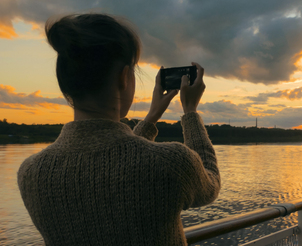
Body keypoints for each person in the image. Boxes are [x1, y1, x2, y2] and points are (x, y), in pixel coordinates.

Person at [17, 13, 220, 245]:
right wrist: (190, 112)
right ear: (124, 77)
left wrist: (152, 118)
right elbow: (210, 182)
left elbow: (111, 160)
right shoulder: (171, 163)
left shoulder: (31, 173)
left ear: (66, 85)